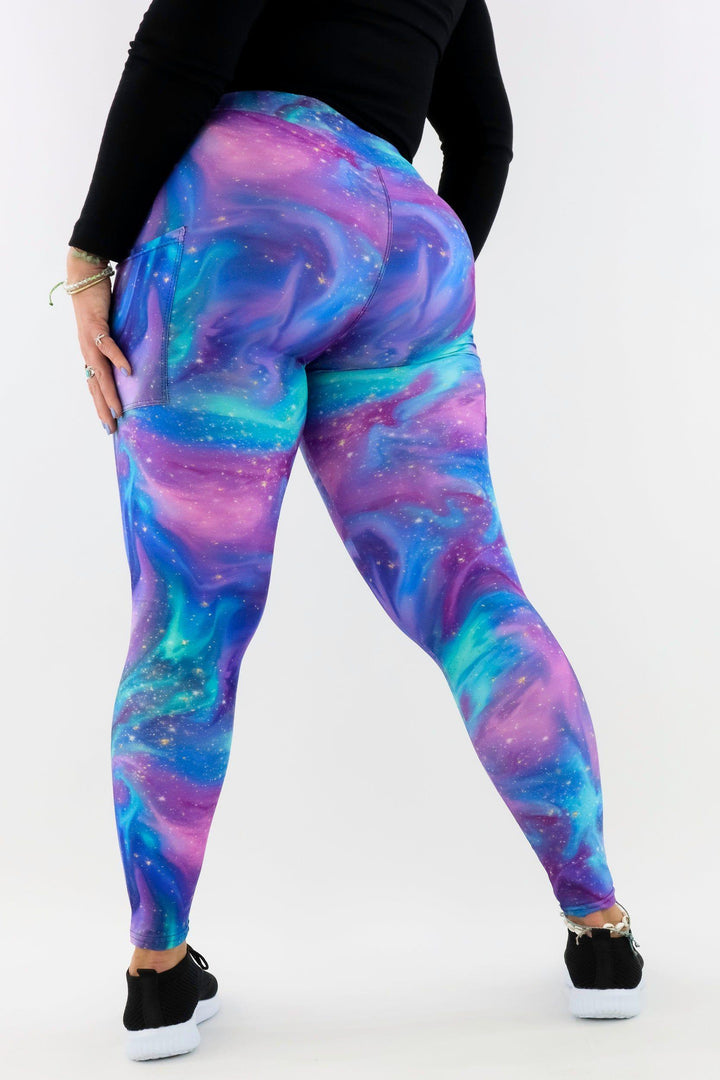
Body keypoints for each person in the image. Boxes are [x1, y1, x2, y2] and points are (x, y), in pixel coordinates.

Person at [51, 0, 645, 1061]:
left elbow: (184, 49)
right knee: (474, 592)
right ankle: (600, 931)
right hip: (407, 236)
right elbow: (486, 135)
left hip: (237, 222)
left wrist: (92, 250)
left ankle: (159, 974)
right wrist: (421, 281)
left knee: (190, 615)